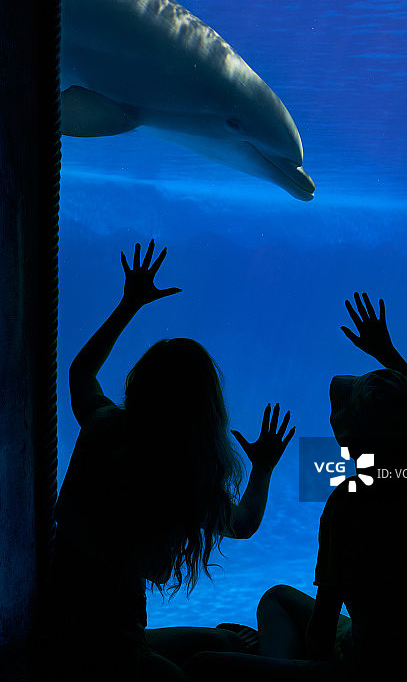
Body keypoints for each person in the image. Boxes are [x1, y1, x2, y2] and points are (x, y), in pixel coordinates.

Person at [38, 239, 294, 682]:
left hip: (56, 638)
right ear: (206, 414)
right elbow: (245, 522)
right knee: (214, 658)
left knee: (222, 644)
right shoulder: (183, 479)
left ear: (138, 386)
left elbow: (81, 373)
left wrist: (129, 304)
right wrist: (264, 466)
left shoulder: (103, 427)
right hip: (113, 656)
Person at [185, 291, 407, 682]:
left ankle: (271, 660)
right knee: (280, 599)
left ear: (350, 441)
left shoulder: (347, 502)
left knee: (205, 663)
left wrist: (312, 663)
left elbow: (324, 626)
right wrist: (388, 355)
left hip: (367, 670)